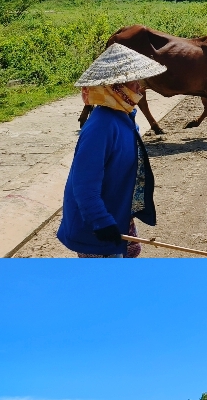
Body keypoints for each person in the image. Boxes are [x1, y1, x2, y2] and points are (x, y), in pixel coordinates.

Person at [56, 42, 165, 258]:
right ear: (116, 88)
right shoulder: (101, 127)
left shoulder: (123, 117)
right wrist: (102, 222)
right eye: (133, 82)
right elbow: (84, 185)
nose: (139, 87)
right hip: (96, 227)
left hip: (117, 211)